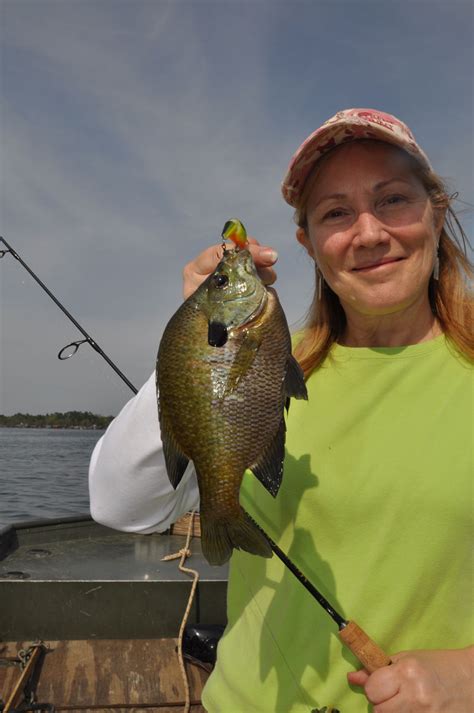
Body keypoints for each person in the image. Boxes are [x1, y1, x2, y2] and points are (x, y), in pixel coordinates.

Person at [89, 108, 473, 712]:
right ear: (309, 243)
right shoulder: (272, 368)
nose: (369, 233)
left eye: (394, 199)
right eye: (336, 213)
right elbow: (121, 506)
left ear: (437, 209)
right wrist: (197, 340)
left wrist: (468, 678)